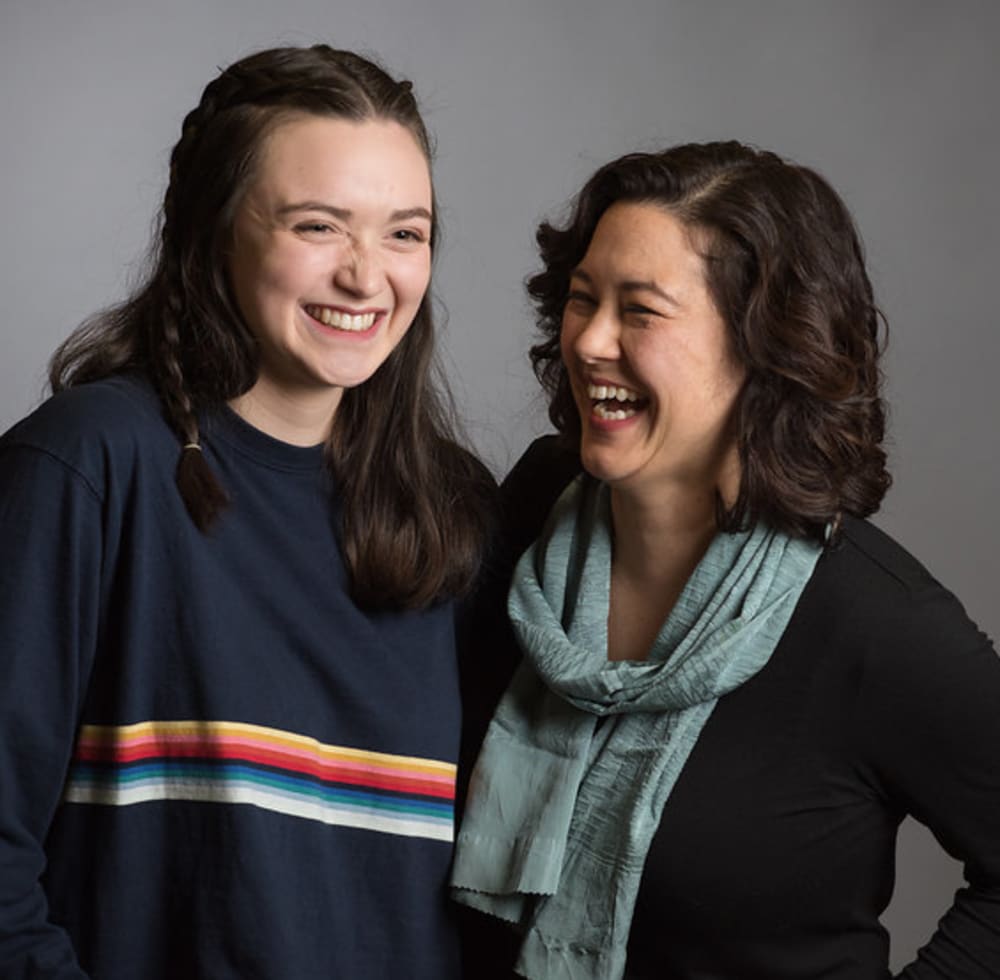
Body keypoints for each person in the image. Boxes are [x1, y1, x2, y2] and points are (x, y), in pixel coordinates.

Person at [0, 44, 493, 979]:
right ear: (211, 231)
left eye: (405, 233)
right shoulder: (89, 466)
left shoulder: (459, 515)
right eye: (318, 225)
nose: (366, 276)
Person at [451, 142, 1000, 979]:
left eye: (640, 310)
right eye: (582, 298)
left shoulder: (881, 624)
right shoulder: (533, 506)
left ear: (763, 348)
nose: (591, 340)